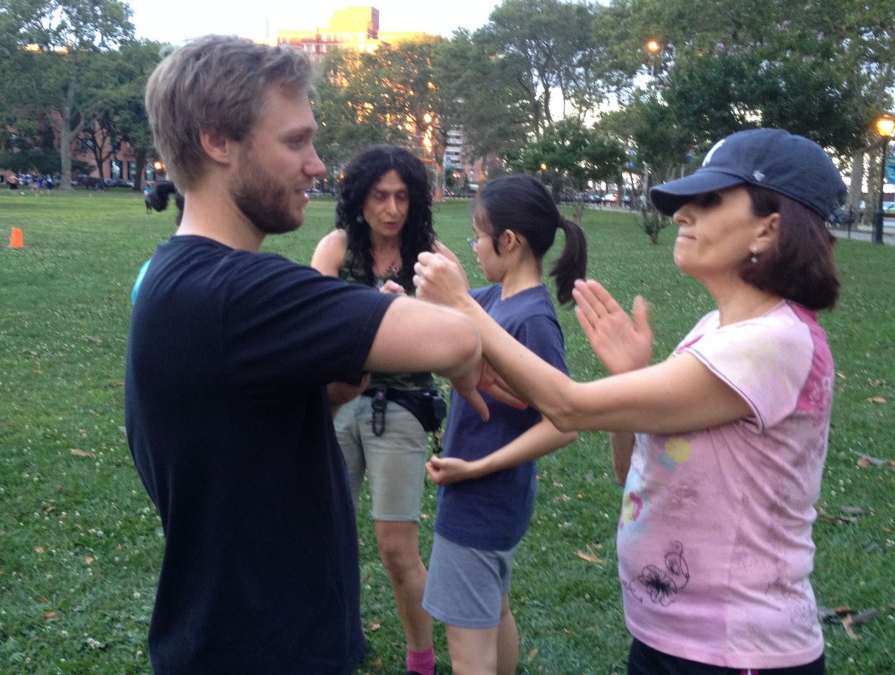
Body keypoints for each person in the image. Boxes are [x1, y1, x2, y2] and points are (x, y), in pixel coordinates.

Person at [127, 35, 499, 673]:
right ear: (218, 142)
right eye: (296, 141)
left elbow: (262, 414)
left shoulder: (178, 275)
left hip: (242, 632)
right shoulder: (237, 292)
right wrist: (460, 337)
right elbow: (457, 339)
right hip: (260, 651)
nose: (318, 165)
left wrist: (343, 373)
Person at [414, 128, 845, 675]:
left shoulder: (773, 342)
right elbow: (631, 473)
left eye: (709, 200)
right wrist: (631, 377)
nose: (683, 214)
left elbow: (567, 409)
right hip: (672, 637)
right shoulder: (716, 330)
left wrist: (464, 307)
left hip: (737, 651)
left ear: (770, 227)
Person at [421, 174, 585, 675]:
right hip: (495, 500)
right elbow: (458, 319)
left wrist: (478, 466)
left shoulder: (531, 320)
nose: (473, 247)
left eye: (477, 236)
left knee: (468, 637)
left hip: (481, 499)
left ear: (508, 241)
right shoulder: (495, 300)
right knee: (494, 610)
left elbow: (564, 423)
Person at [310, 145, 452, 675]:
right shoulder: (336, 248)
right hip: (337, 405)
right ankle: (338, 638)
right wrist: (372, 312)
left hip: (401, 407)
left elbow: (460, 333)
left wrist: (409, 313)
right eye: (379, 196)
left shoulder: (432, 256)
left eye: (402, 196)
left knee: (396, 549)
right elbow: (313, 329)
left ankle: (421, 658)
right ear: (358, 199)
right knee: (327, 534)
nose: (392, 209)